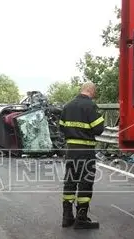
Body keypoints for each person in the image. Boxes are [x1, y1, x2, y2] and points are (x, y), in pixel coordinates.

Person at [59, 82, 105, 229]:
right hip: (86, 151)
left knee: (70, 181)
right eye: (95, 91)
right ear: (91, 90)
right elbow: (98, 129)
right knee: (85, 182)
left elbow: (61, 127)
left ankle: (67, 217)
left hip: (71, 150)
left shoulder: (67, 106)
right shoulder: (90, 106)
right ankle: (81, 218)